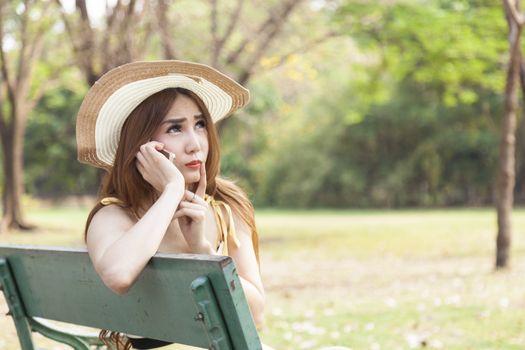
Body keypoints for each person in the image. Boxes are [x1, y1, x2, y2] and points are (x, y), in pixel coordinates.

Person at [76, 61, 268, 350]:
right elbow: (118, 275)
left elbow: (256, 313)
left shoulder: (227, 208)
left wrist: (204, 252)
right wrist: (172, 191)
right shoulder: (115, 215)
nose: (195, 144)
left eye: (200, 124)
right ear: (141, 145)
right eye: (175, 129)